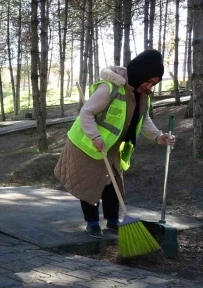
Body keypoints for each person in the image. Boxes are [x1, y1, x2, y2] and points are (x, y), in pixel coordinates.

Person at [54, 49, 176, 238]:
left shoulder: (142, 96)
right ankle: (92, 224)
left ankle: (112, 222)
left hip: (111, 147)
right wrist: (95, 137)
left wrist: (159, 136)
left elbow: (142, 120)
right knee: (90, 183)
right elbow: (86, 112)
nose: (149, 86)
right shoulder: (109, 88)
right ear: (141, 73)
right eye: (149, 81)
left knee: (113, 184)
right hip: (87, 143)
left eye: (154, 83)